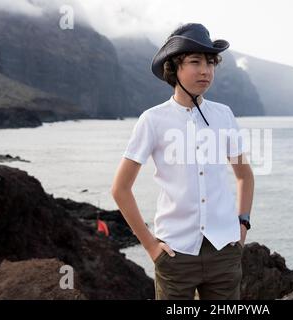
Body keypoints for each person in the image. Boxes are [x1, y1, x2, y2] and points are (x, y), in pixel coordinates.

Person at [111, 23, 254, 300]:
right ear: (173, 68)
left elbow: (244, 176)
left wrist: (243, 224)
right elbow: (120, 189)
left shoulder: (224, 115)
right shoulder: (152, 120)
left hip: (225, 251)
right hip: (175, 253)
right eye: (195, 62)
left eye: (211, 62)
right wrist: (151, 246)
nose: (205, 70)